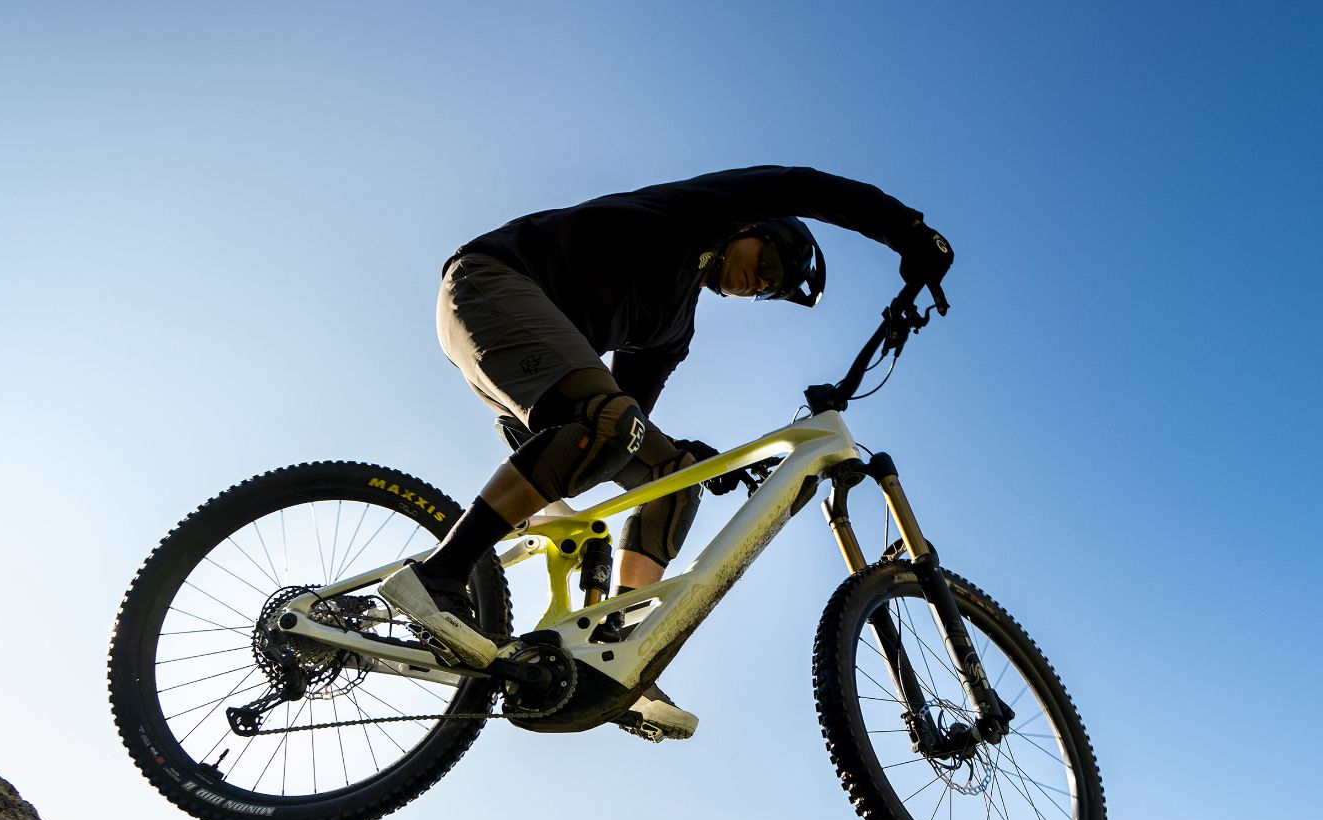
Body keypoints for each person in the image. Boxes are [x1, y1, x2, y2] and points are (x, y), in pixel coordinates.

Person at [379, 165, 953, 741]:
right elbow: (798, 185)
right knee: (609, 424)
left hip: (538, 376)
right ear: (749, 227)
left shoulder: (672, 329)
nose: (762, 284)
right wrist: (906, 230)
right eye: (771, 265)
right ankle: (440, 574)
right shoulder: (695, 220)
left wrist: (679, 453)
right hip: (489, 285)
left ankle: (619, 651)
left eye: (771, 290)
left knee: (676, 473)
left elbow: (630, 416)